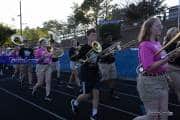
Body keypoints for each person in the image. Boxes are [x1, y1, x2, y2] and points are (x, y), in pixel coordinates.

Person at [133, 17, 174, 120]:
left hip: (162, 80)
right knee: (153, 116)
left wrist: (166, 74)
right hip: (149, 82)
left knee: (164, 112)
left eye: (161, 24)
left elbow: (162, 61)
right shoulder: (145, 45)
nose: (161, 27)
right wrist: (167, 59)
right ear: (150, 28)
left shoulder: (157, 43)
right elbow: (148, 67)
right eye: (157, 25)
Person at [70, 28, 100, 120]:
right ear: (87, 36)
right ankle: (75, 103)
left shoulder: (97, 47)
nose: (94, 37)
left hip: (95, 73)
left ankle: (94, 114)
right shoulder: (84, 48)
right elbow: (76, 58)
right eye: (92, 35)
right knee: (87, 95)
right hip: (86, 74)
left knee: (96, 93)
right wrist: (79, 58)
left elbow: (98, 59)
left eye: (95, 35)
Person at [98, 33, 118, 99]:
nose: (110, 38)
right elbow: (100, 55)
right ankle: (97, 90)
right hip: (104, 64)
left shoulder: (112, 45)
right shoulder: (102, 46)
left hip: (112, 63)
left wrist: (116, 48)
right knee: (104, 79)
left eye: (111, 37)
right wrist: (106, 54)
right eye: (109, 37)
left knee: (113, 78)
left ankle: (112, 93)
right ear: (105, 38)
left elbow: (115, 51)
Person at [163, 27, 180, 102]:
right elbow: (165, 59)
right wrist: (175, 55)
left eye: (177, 32)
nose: (177, 34)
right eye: (175, 33)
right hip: (172, 69)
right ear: (170, 35)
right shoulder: (167, 45)